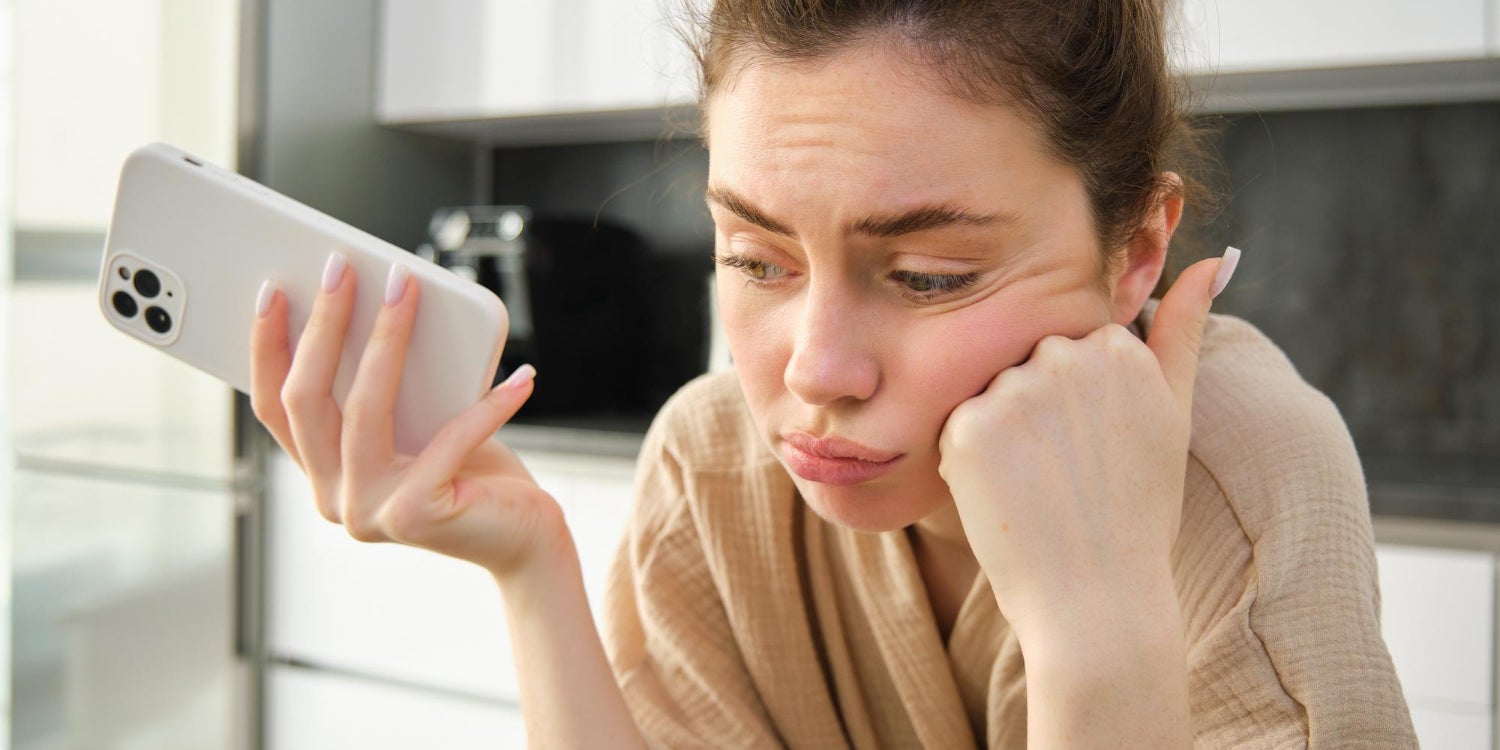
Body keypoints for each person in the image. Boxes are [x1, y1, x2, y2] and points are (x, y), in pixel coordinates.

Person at [248, 1, 1418, 747]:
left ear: (1138, 254)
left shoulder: (1238, 479)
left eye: (926, 276)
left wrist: (1101, 643)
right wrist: (529, 565)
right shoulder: (714, 464)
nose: (816, 370)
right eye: (756, 259)